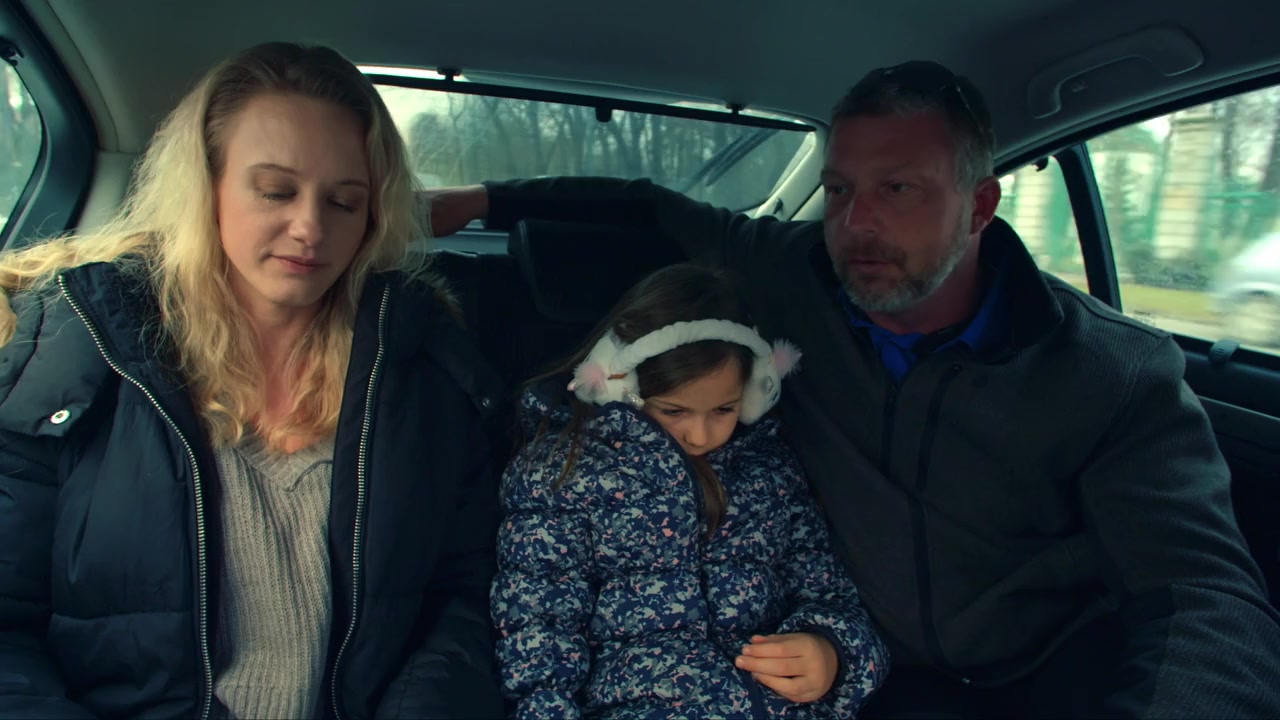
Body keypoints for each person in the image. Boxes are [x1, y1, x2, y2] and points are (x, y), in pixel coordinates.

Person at [427, 61, 1280, 717]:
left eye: (897, 189)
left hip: (1044, 679)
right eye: (838, 190)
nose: (854, 223)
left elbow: (1204, 599)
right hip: (866, 683)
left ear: (980, 204)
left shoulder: (1111, 371)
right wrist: (477, 200)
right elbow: (649, 208)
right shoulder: (791, 278)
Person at [0, 42, 504, 720]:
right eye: (275, 191)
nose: (310, 227)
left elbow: (464, 595)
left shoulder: (424, 366)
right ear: (205, 187)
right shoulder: (73, 349)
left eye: (344, 202)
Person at [492, 263, 888, 718]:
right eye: (674, 411)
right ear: (619, 387)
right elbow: (538, 624)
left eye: (724, 409)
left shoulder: (770, 469)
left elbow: (828, 591)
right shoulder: (560, 477)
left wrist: (832, 650)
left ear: (755, 393)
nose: (700, 436)